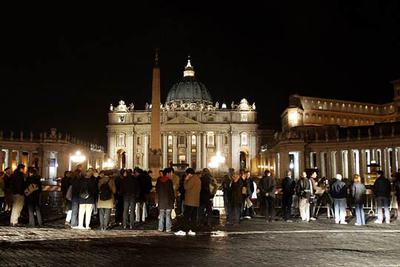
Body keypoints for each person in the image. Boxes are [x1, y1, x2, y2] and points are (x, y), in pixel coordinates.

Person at [175, 168, 200, 236]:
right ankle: (192, 230)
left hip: (190, 201)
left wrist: (186, 180)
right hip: (195, 201)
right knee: (193, 217)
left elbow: (186, 187)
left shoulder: (192, 179)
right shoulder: (198, 179)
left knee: (186, 216)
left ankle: (183, 230)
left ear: (189, 174)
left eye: (186, 174)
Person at [156, 168, 175, 232]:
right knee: (168, 215)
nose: (171, 174)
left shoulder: (159, 181)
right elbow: (171, 192)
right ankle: (168, 228)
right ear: (167, 173)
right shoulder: (169, 181)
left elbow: (157, 191)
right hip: (168, 201)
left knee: (161, 215)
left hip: (161, 201)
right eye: (170, 173)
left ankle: (160, 228)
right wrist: (173, 200)